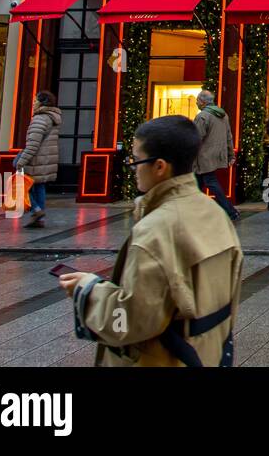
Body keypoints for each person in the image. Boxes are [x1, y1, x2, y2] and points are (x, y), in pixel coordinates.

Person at [58, 115, 243, 367]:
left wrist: (88, 290)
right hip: (206, 355)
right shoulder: (216, 214)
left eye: (136, 160)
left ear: (159, 166)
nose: (133, 168)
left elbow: (132, 321)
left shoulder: (154, 231)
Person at [13, 90, 60, 228]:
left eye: (35, 101)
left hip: (36, 159)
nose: (33, 104)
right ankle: (38, 218)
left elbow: (33, 145)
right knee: (39, 185)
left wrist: (21, 161)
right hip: (46, 159)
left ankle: (36, 210)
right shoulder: (52, 118)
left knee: (21, 184)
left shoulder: (39, 119)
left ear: (41, 103)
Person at [193, 89, 239, 221]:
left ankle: (231, 211)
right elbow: (229, 136)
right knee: (197, 184)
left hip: (203, 156)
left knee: (210, 182)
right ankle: (196, 210)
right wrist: (231, 155)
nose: (196, 102)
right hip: (216, 154)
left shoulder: (202, 116)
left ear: (202, 102)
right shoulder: (223, 115)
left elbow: (197, 137)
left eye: (197, 100)